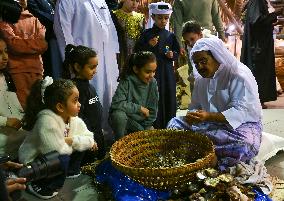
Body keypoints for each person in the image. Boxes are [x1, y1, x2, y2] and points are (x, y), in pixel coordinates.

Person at [167, 38, 262, 171]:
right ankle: (206, 153)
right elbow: (195, 106)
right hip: (209, 124)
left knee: (246, 145)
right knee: (173, 125)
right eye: (196, 63)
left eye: (203, 61)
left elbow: (242, 112)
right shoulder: (201, 79)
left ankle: (212, 159)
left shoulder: (238, 74)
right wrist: (193, 116)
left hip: (241, 126)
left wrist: (208, 116)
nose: (199, 67)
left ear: (216, 56)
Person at [19, 78, 97, 199]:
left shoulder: (73, 119)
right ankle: (39, 184)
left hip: (56, 152)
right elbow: (55, 151)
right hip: (33, 160)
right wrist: (75, 141)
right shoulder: (46, 122)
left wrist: (74, 140)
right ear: (60, 107)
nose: (80, 104)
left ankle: (71, 171)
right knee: (63, 158)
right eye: (75, 101)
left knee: (80, 142)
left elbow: (89, 137)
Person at [54, 0, 120, 137]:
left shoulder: (101, 1)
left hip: (107, 58)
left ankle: (107, 135)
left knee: (109, 94)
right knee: (87, 102)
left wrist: (115, 55)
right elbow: (63, 30)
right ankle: (90, 139)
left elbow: (111, 30)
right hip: (83, 63)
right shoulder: (67, 1)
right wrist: (72, 61)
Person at [135, 2, 180, 129]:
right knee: (154, 97)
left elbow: (177, 53)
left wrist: (173, 55)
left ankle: (169, 125)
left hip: (167, 72)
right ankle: (154, 125)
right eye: (160, 18)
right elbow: (137, 52)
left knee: (168, 95)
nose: (163, 21)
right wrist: (149, 45)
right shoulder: (147, 34)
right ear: (153, 17)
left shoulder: (170, 36)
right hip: (151, 74)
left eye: (166, 18)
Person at [0, 0, 47, 109]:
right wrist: (36, 44)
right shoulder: (6, 20)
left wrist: (21, 43)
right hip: (17, 71)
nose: (22, 0)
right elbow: (14, 45)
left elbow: (44, 44)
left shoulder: (35, 20)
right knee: (23, 108)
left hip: (36, 69)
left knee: (37, 107)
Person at [63, 44, 106, 162]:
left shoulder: (87, 85)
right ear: (77, 67)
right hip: (88, 141)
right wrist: (88, 139)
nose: (95, 71)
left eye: (96, 67)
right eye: (91, 67)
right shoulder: (75, 89)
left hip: (96, 134)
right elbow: (77, 118)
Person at [241, 0, 284, 109]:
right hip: (257, 47)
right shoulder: (257, 1)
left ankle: (258, 100)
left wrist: (271, 18)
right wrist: (275, 14)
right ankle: (256, 100)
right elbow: (257, 21)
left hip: (259, 45)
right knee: (258, 72)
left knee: (260, 72)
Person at [109, 51, 158, 140]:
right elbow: (116, 103)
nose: (152, 75)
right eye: (147, 72)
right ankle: (120, 144)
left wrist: (144, 129)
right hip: (126, 121)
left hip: (142, 123)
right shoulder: (126, 81)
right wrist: (139, 108)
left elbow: (153, 110)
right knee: (118, 115)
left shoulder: (153, 82)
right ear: (136, 69)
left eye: (154, 71)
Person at [0, 34, 28, 159]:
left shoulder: (7, 77)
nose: (5, 57)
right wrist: (6, 121)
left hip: (17, 136)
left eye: (6, 52)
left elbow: (15, 108)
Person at [27, 0, 63, 79]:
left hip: (56, 35)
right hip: (46, 38)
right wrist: (59, 19)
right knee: (53, 70)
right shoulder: (30, 1)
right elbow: (37, 14)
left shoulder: (48, 1)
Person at [111, 0, 145, 71]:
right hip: (119, 55)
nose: (134, 3)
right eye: (132, 0)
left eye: (137, 1)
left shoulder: (140, 17)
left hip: (136, 56)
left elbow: (142, 39)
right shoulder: (114, 15)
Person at [182, 20, 216, 86]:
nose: (190, 43)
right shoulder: (190, 46)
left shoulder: (212, 43)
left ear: (200, 35)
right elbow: (195, 64)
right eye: (187, 41)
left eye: (192, 39)